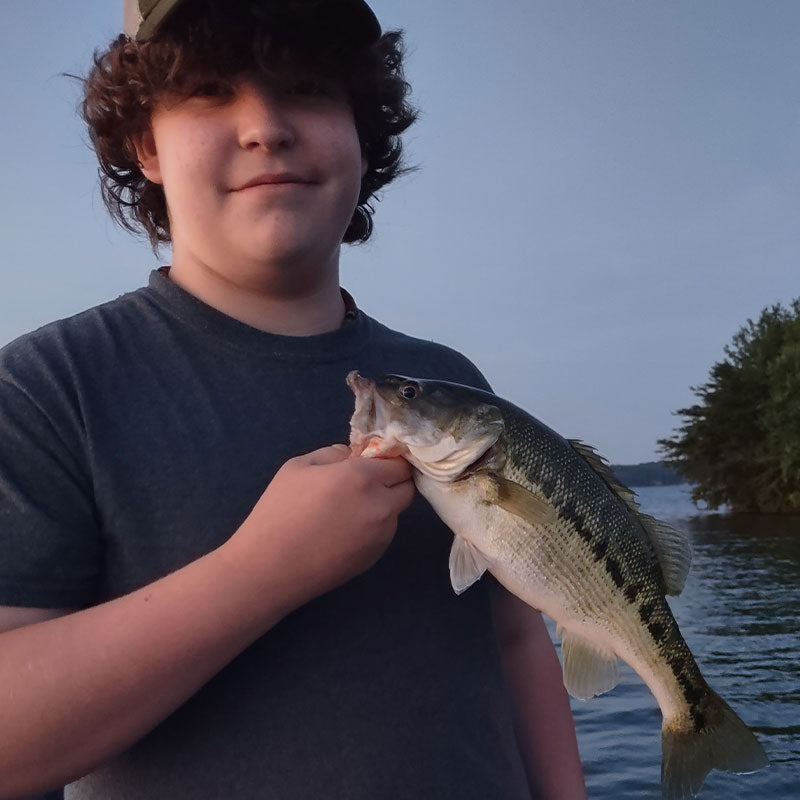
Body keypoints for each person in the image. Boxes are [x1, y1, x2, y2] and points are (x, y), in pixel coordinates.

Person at [0, 1, 586, 798]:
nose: (266, 126)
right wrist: (261, 572)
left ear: (361, 134)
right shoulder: (43, 390)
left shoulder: (450, 385)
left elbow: (517, 640)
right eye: (210, 91)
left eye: (308, 89)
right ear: (146, 147)